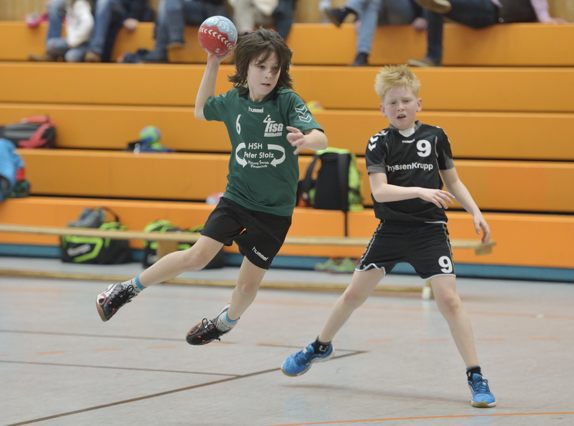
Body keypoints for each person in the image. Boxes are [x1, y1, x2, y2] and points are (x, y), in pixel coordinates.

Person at [281, 65, 496, 408]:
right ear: (382, 108)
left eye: (406, 100)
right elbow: (380, 191)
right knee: (353, 294)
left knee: (449, 300)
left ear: (418, 103)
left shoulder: (436, 136)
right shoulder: (378, 142)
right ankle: (320, 346)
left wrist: (475, 211)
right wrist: (420, 191)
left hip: (429, 231)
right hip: (391, 230)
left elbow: (453, 180)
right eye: (392, 102)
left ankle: (476, 376)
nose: (400, 107)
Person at [96, 28, 328, 346]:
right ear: (245, 66)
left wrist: (306, 139)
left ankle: (225, 322)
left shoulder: (286, 101)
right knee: (197, 256)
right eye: (261, 66)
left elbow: (321, 138)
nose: (268, 74)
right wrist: (213, 64)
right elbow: (200, 110)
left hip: (275, 211)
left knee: (247, 285)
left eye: (275, 68)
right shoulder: (234, 101)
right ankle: (127, 288)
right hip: (237, 199)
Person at [410, 0, 566, 67]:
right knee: (435, 3)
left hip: (495, 10)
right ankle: (433, 58)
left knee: (437, 2)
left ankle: (433, 57)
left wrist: (544, 17)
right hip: (475, 13)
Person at [323, 0, 427, 66]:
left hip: (404, 12)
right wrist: (360, 19)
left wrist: (423, 17)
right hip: (378, 12)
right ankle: (362, 55)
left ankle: (345, 11)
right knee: (373, 2)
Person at [123, 0, 228, 63]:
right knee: (169, 3)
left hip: (208, 10)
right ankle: (172, 40)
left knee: (171, 3)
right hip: (181, 10)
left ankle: (165, 46)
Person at [84, 0, 152, 62]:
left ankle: (95, 50)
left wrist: (132, 16)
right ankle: (91, 50)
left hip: (124, 11)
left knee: (104, 2)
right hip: (101, 12)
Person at [28, 0, 94, 62]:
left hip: (82, 43)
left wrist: (73, 41)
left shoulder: (80, 5)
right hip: (71, 42)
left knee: (71, 57)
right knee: (51, 45)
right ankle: (53, 55)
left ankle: (85, 51)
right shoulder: (69, 6)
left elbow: (88, 24)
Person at [230, 0, 298, 40]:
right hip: (255, 12)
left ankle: (245, 37)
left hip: (273, 13)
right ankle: (245, 36)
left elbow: (284, 12)